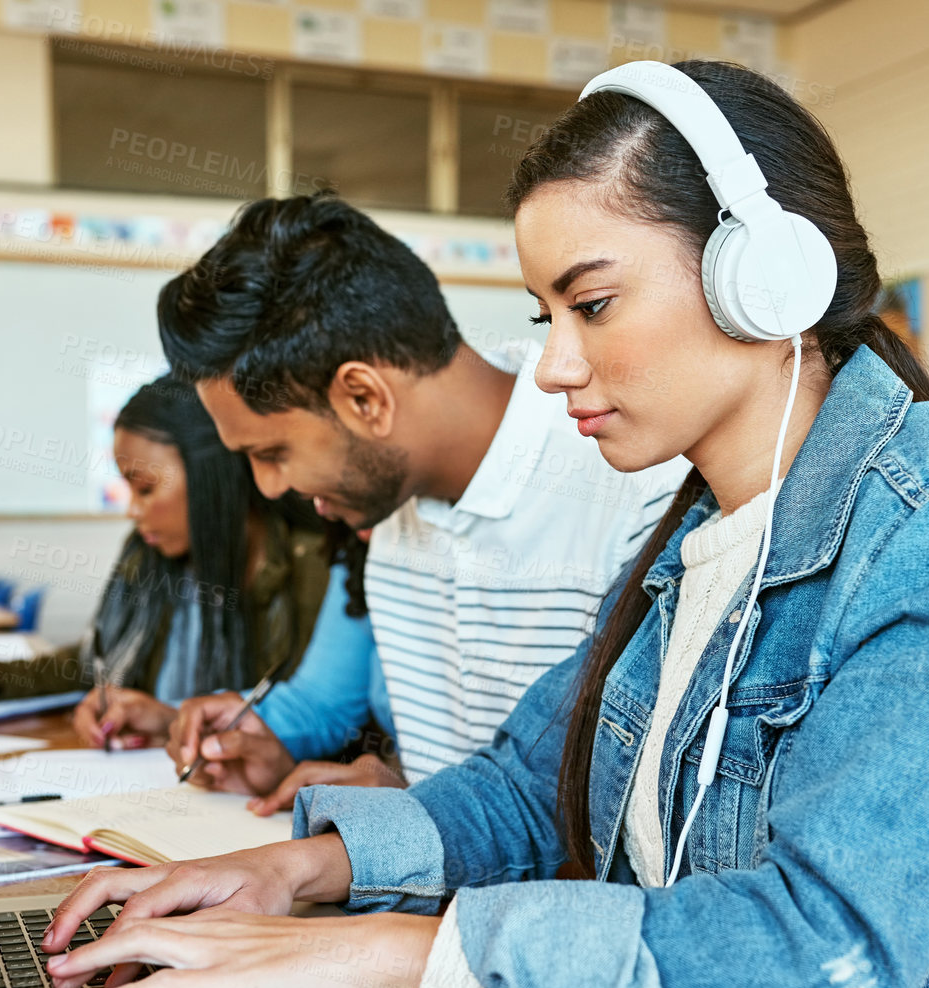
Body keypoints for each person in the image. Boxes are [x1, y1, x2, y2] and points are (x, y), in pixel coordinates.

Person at [43, 60, 929, 988]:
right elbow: (530, 791)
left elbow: (828, 952)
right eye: (545, 314)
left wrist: (401, 954)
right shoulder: (690, 537)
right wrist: (297, 868)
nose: (553, 365)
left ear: (763, 277)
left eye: (590, 304)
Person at [144, 191, 688, 802]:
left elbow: (628, 826)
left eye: (271, 454)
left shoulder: (640, 490)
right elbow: (474, 795)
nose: (271, 488)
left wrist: (409, 817)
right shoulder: (391, 511)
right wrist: (399, 798)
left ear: (366, 399)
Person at [0, 378, 332, 747]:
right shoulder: (149, 554)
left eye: (145, 488)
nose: (133, 509)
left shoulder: (315, 568)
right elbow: (95, 660)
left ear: (213, 475)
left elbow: (320, 718)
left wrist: (169, 719)